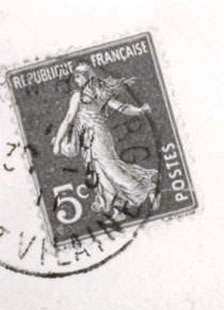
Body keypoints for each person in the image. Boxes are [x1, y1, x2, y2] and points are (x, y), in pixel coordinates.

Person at [51, 63, 160, 223]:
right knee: (101, 174)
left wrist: (58, 142)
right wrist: (139, 110)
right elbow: (122, 107)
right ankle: (113, 209)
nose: (76, 79)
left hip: (96, 137)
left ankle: (148, 188)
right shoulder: (99, 92)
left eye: (79, 76)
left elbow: (68, 119)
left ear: (87, 76)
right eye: (75, 77)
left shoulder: (80, 96)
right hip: (92, 138)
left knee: (111, 169)